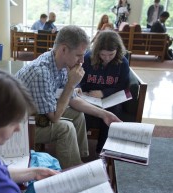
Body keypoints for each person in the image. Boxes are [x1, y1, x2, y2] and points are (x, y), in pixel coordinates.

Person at [16, 25, 121, 169]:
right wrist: (71, 84)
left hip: (37, 113)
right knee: (66, 128)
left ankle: (78, 158)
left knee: (78, 114)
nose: (82, 60)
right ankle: (71, 169)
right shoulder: (41, 72)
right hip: (19, 124)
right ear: (63, 49)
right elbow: (54, 117)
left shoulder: (61, 63)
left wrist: (104, 114)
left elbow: (73, 99)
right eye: (79, 55)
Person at [78, 30, 130, 153]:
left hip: (111, 99)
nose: (107, 58)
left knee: (113, 114)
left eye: (111, 54)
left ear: (117, 50)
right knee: (83, 114)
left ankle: (102, 151)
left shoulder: (123, 63)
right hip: (89, 97)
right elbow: (78, 78)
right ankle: (81, 149)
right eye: (103, 55)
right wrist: (79, 88)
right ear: (97, 52)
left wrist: (103, 93)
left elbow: (123, 86)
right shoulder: (87, 58)